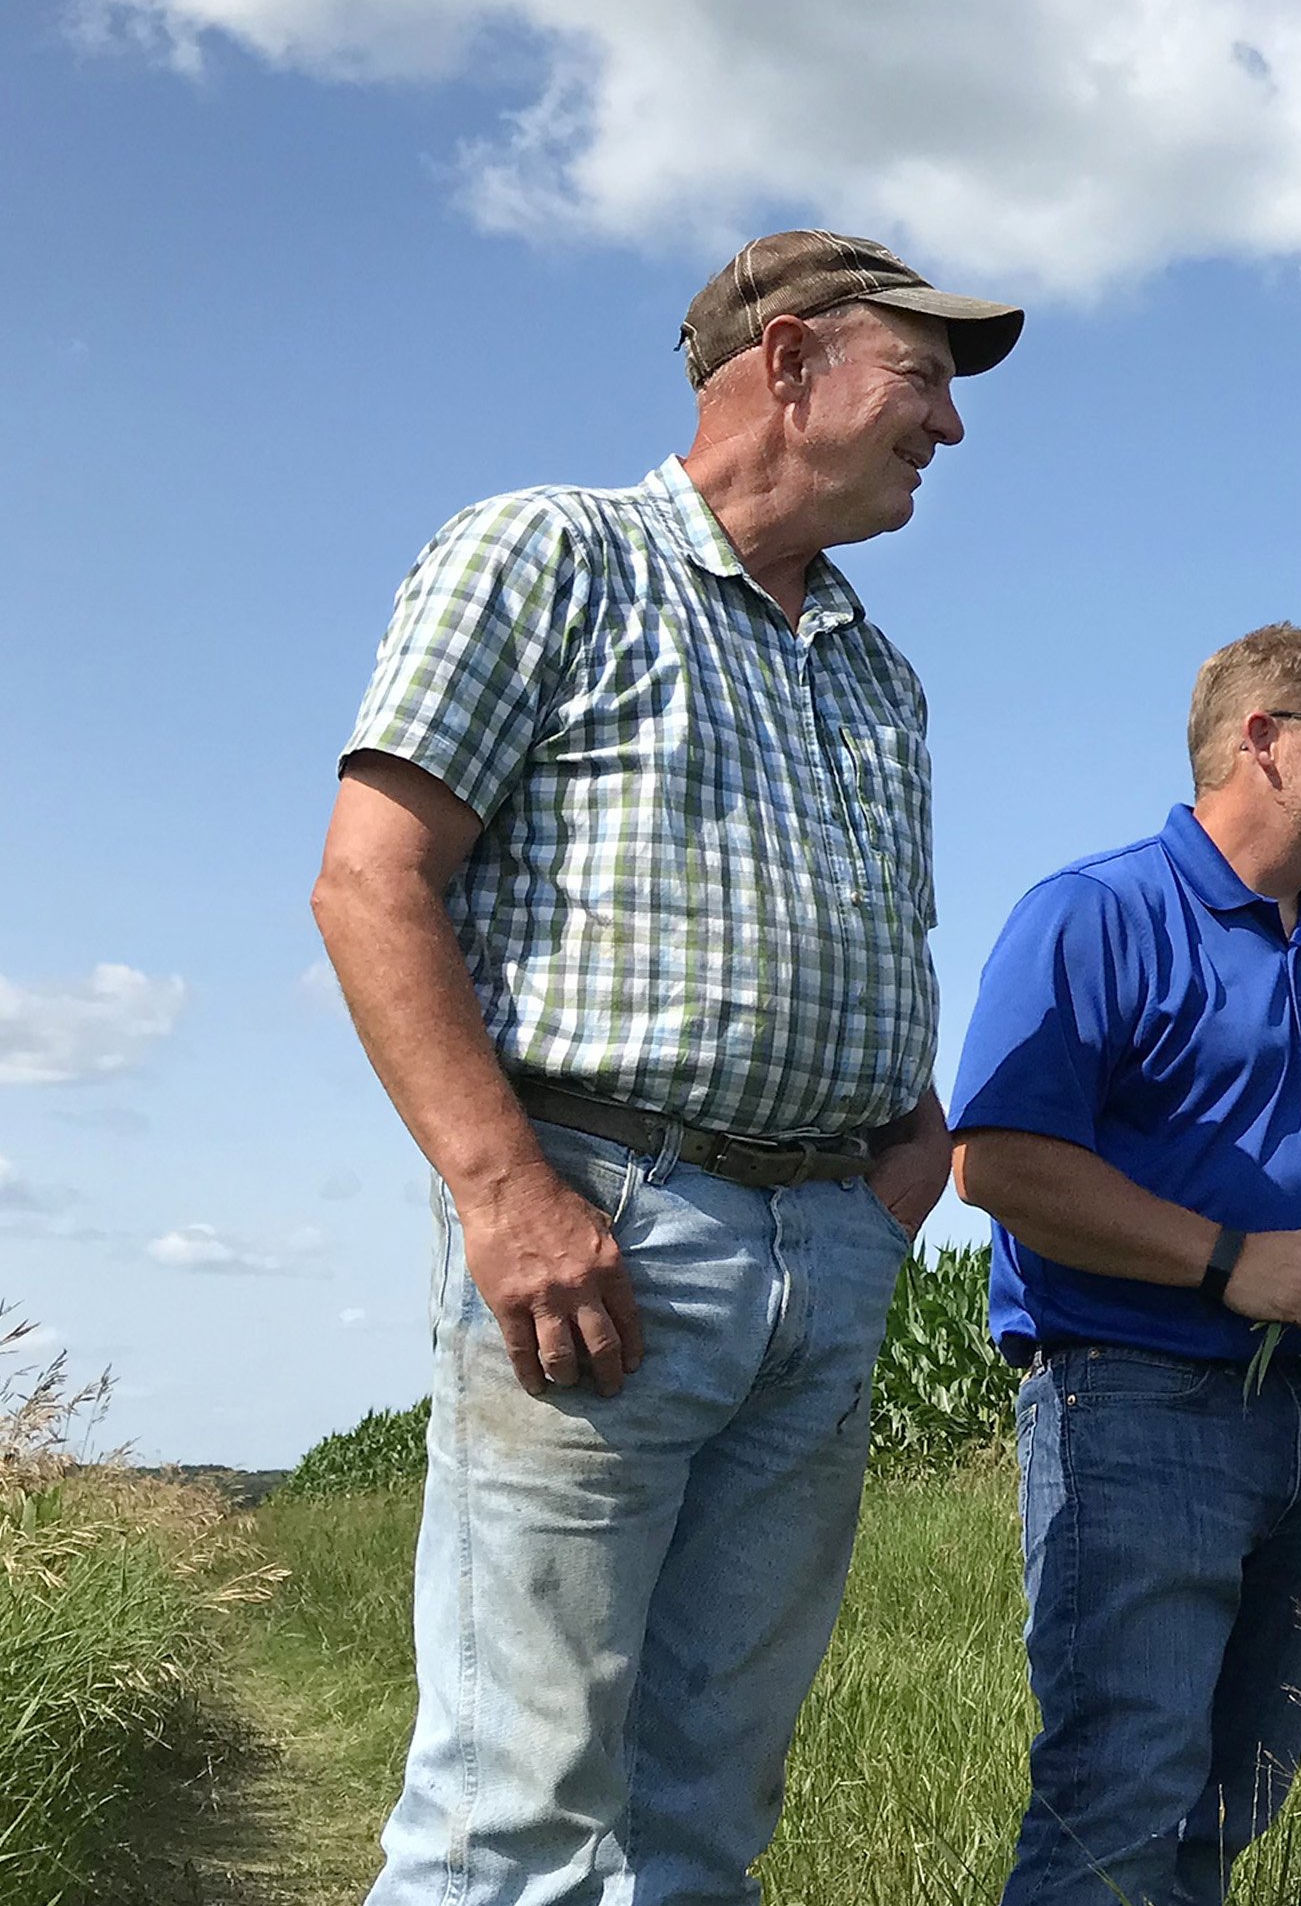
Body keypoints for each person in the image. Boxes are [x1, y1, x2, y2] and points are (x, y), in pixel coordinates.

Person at [313, 231, 1022, 1900]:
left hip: (824, 1256)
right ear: (785, 363)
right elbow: (371, 879)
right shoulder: (551, 553)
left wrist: (894, 1177)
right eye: (920, 377)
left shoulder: (875, 667)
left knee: (709, 1800)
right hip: (606, 1232)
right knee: (521, 1800)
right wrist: (507, 1194)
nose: (953, 427)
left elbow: (876, 933)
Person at [947, 621, 1301, 1905]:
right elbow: (1001, 1163)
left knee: (1229, 1797)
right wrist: (1224, 1261)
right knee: (1121, 1794)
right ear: (1263, 738)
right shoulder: (1096, 913)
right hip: (1140, 1406)